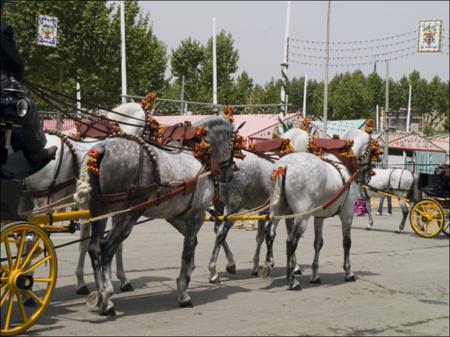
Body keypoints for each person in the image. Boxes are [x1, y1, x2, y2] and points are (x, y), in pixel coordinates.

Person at [1, 0, 56, 164]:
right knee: (27, 107)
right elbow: (14, 60)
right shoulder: (3, 29)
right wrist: (19, 74)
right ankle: (35, 151)